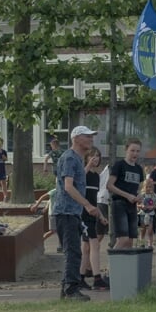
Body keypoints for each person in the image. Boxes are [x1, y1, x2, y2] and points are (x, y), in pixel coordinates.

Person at [56, 126, 104, 300]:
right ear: (76, 138)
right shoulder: (69, 158)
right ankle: (71, 290)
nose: (91, 139)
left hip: (73, 213)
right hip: (66, 212)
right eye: (88, 136)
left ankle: (67, 289)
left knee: (75, 251)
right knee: (73, 252)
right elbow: (68, 186)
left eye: (92, 136)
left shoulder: (77, 159)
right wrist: (87, 205)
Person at [80, 147, 109, 290]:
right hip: (83, 215)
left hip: (92, 214)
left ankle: (80, 278)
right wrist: (87, 166)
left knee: (86, 248)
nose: (95, 158)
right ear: (86, 157)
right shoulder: (82, 173)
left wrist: (101, 216)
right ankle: (97, 279)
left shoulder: (96, 177)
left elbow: (94, 199)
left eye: (97, 156)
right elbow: (77, 185)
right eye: (92, 156)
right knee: (94, 244)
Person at [107, 138, 144, 250]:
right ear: (126, 150)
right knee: (123, 239)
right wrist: (127, 195)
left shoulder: (138, 168)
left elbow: (140, 187)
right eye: (132, 150)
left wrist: (139, 196)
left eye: (137, 151)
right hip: (119, 203)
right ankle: (112, 265)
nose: (135, 154)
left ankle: (126, 266)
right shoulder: (119, 165)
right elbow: (109, 185)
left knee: (130, 241)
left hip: (132, 206)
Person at [137, 176, 156, 248]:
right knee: (143, 229)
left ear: (153, 188)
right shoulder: (142, 195)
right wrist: (141, 206)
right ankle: (142, 243)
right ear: (144, 187)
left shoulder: (154, 195)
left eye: (150, 187)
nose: (148, 189)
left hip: (151, 214)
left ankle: (150, 244)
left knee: (150, 230)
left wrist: (153, 207)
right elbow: (137, 204)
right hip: (143, 214)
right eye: (147, 187)